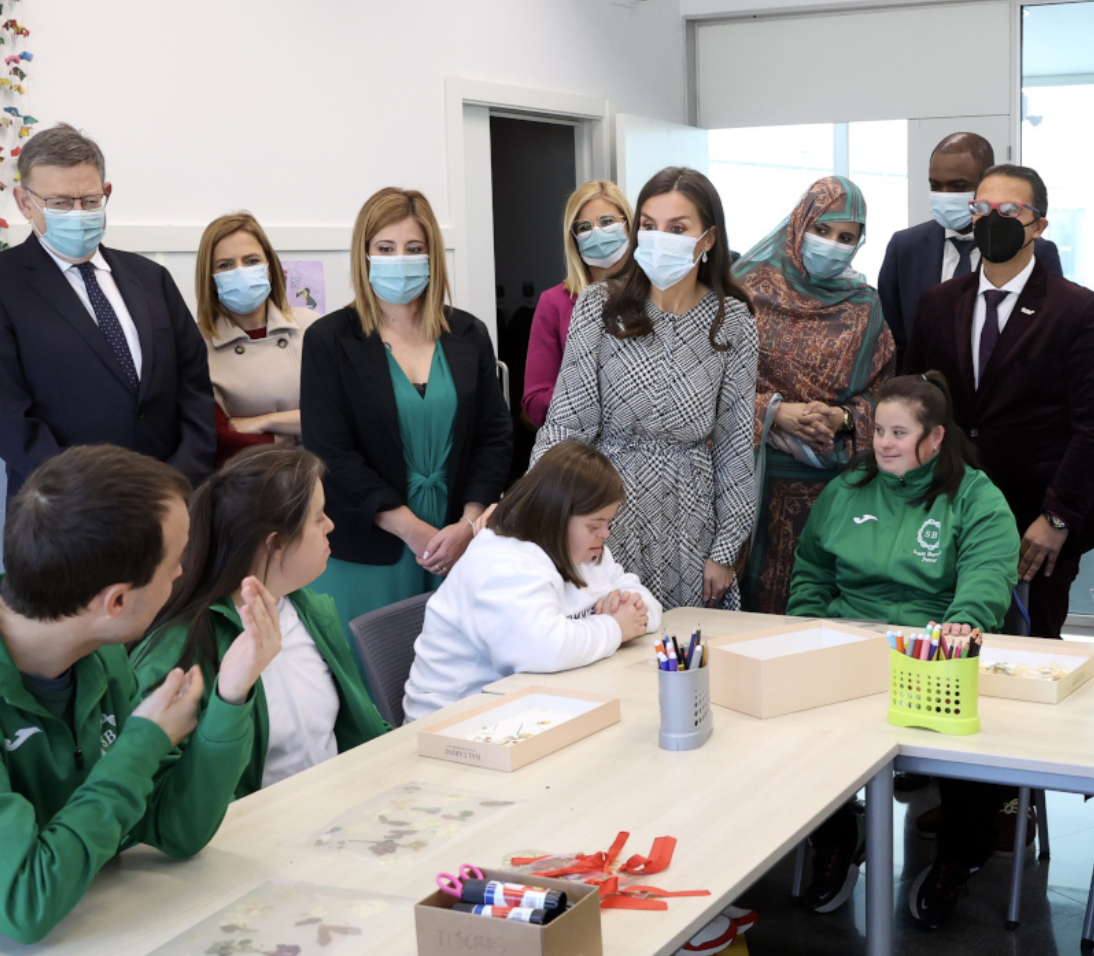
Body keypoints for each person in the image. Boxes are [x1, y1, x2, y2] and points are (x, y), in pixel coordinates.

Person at [0, 446, 282, 956]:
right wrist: (142, 744)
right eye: (174, 562)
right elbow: (26, 901)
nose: (183, 573)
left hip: (70, 942)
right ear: (115, 601)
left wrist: (232, 695)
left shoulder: (99, 656)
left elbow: (177, 830)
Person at [785, 372, 1019, 916]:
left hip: (933, 649)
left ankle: (959, 858)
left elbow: (986, 578)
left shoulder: (977, 497)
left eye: (899, 432)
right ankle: (838, 836)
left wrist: (960, 627)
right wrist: (806, 628)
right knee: (793, 729)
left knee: (973, 744)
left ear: (934, 438)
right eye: (879, 431)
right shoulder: (848, 489)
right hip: (848, 640)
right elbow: (813, 570)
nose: (884, 443)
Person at [903, 163, 1094, 640]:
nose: (991, 219)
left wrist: (1058, 517)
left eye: (1009, 210)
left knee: (1031, 656)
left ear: (1039, 224)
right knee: (948, 646)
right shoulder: (937, 303)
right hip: (950, 509)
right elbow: (915, 405)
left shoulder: (1078, 309)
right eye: (981, 208)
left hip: (1038, 524)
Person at [532, 166, 759, 611]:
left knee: (684, 657)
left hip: (692, 518)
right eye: (649, 227)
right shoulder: (600, 308)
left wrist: (726, 549)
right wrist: (534, 512)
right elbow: (565, 426)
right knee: (607, 646)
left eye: (678, 228)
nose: (660, 239)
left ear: (708, 238)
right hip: (604, 511)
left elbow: (734, 446)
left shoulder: (733, 320)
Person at [0, 123, 216, 498]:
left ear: (106, 193)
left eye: (90, 201)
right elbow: (4, 417)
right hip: (67, 513)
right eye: (60, 203)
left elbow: (193, 387)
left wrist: (179, 481)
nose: (77, 213)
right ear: (24, 201)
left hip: (171, 502)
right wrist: (94, 496)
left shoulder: (151, 278)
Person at [302, 188, 513, 624]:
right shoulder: (329, 340)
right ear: (364, 256)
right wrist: (411, 529)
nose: (401, 259)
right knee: (371, 681)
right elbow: (331, 452)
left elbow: (494, 437)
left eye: (414, 249)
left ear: (432, 256)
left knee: (456, 679)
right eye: (386, 248)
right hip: (369, 547)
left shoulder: (468, 334)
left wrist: (469, 525)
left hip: (456, 543)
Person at [134, 447, 386, 796]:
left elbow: (358, 730)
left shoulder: (310, 609)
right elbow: (166, 796)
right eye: (318, 517)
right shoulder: (177, 647)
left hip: (335, 809)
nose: (331, 525)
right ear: (277, 543)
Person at [404, 441, 662, 720]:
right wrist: (614, 627)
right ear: (555, 515)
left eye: (608, 523)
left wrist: (630, 606)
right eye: (594, 525)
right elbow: (543, 651)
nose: (605, 534)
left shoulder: (587, 551)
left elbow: (645, 602)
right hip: (457, 719)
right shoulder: (503, 560)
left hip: (525, 704)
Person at [736, 176, 898, 614]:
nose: (832, 244)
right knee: (749, 611)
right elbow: (710, 387)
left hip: (831, 489)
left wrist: (842, 420)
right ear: (799, 223)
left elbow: (883, 393)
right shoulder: (744, 290)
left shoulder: (864, 305)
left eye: (847, 237)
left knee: (818, 607)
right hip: (749, 481)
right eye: (822, 230)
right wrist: (778, 413)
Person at [877, 133, 1062, 354]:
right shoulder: (905, 247)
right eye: (936, 185)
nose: (944, 196)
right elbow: (895, 338)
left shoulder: (1036, 249)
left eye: (958, 186)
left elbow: (1052, 331)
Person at [194, 212, 319, 467]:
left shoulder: (313, 327)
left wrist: (263, 422)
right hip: (249, 488)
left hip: (321, 482)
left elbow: (342, 418)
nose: (241, 272)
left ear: (270, 270)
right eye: (225, 265)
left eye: (251, 261)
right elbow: (221, 439)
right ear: (211, 279)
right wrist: (300, 430)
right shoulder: (196, 346)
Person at [524, 181, 633, 429]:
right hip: (584, 453)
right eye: (585, 227)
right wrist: (597, 401)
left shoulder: (656, 294)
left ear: (628, 225)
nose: (597, 232)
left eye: (606, 222)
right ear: (574, 238)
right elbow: (535, 400)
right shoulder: (555, 302)